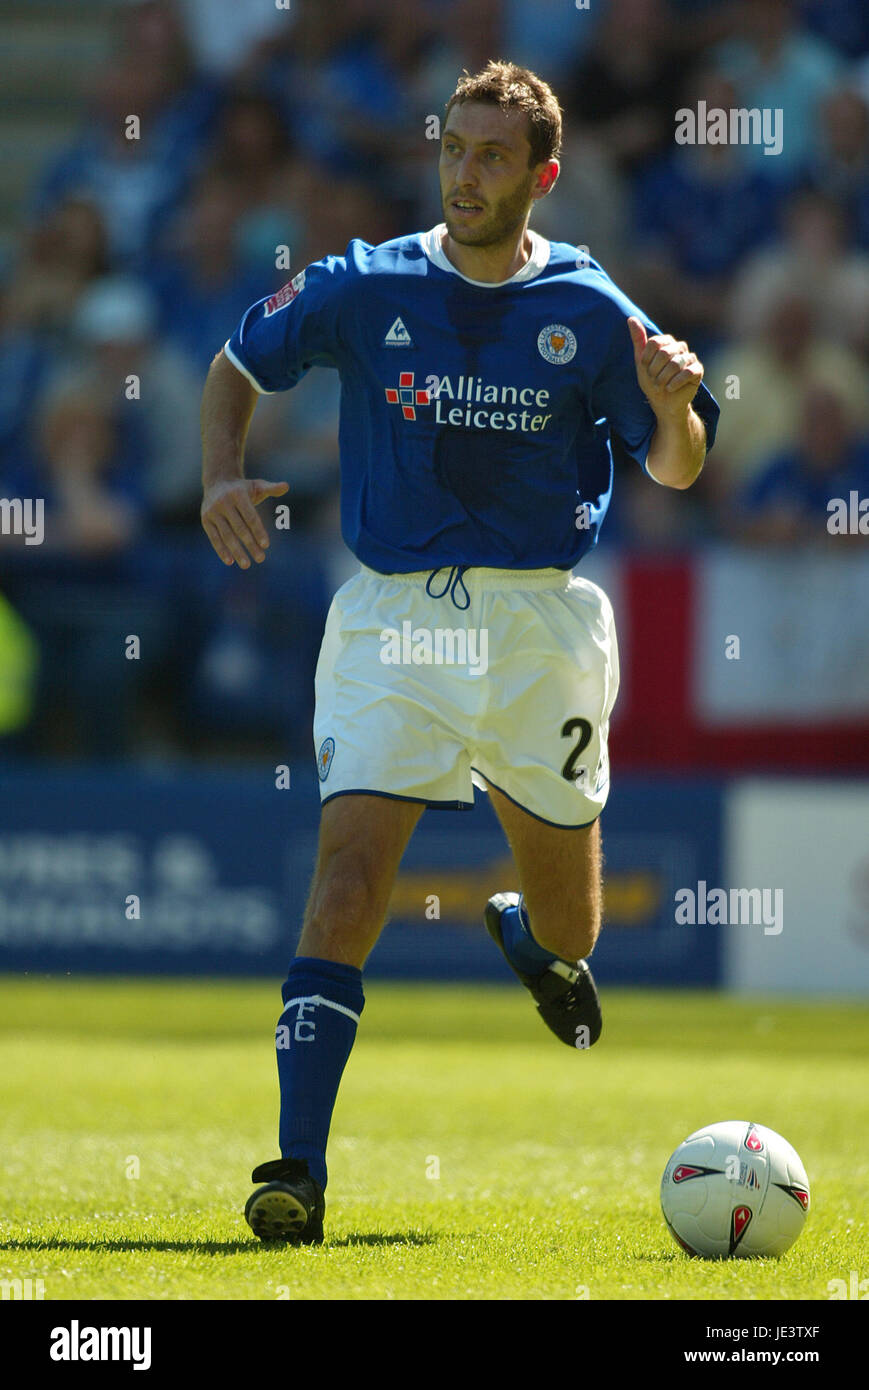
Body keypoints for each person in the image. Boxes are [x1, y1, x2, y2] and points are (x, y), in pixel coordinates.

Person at [199, 61, 719, 1244]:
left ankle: (534, 943)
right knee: (346, 881)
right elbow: (236, 363)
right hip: (391, 616)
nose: (466, 172)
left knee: (575, 926)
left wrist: (675, 406)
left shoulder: (591, 309)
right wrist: (221, 474)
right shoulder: (361, 282)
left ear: (541, 176)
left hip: (540, 626)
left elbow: (676, 468)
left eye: (492, 157)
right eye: (453, 149)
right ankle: (295, 1168)